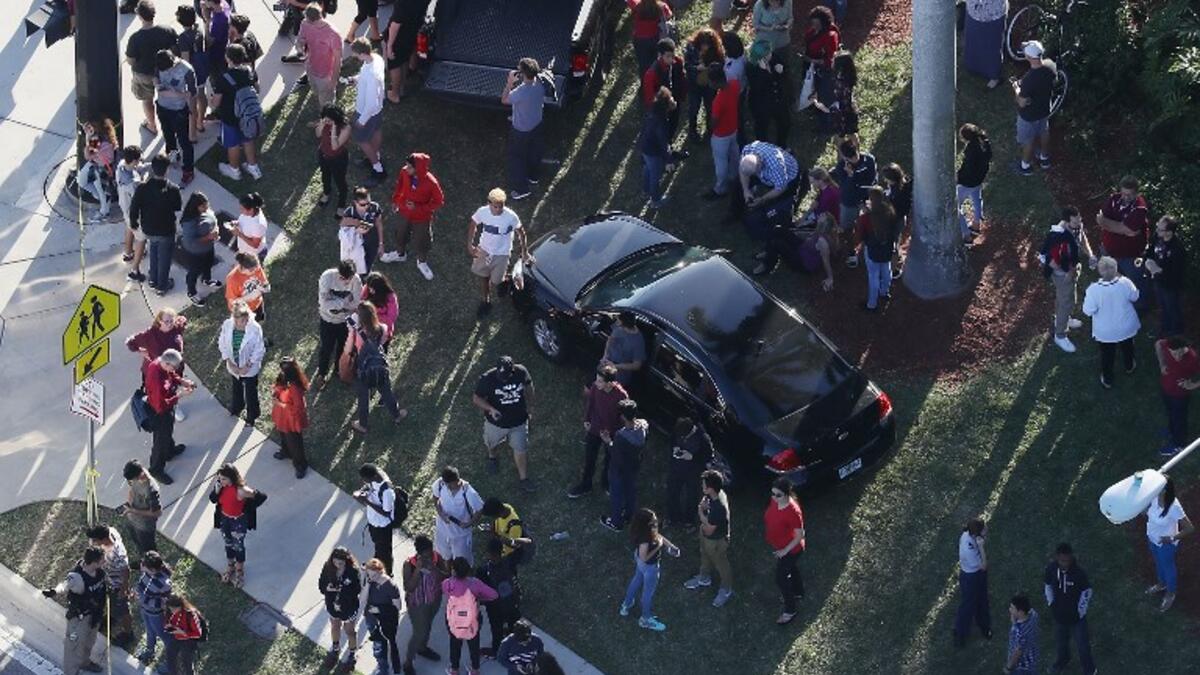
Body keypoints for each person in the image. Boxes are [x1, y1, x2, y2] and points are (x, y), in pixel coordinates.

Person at [472, 356, 536, 488]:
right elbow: (476, 398)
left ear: (512, 370)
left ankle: (523, 479)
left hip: (519, 421)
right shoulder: (487, 379)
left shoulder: (521, 371)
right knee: (491, 443)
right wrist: (490, 409)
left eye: (506, 376)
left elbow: (529, 386)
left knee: (521, 449)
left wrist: (530, 406)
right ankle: (492, 457)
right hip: (496, 423)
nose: (503, 378)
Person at [567, 365, 630, 498]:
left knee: (609, 459)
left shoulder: (621, 395)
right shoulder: (596, 388)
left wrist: (611, 433)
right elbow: (591, 403)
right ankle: (586, 485)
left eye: (600, 381)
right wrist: (587, 419)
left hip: (612, 433)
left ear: (610, 383)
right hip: (595, 428)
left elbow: (623, 418)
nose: (596, 383)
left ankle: (606, 483)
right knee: (590, 458)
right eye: (597, 379)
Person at [43, 546, 107, 675]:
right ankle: (71, 672)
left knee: (89, 642)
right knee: (74, 647)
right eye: (102, 560)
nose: (104, 561)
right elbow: (65, 585)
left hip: (95, 615)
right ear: (94, 562)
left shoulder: (98, 571)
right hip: (79, 619)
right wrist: (54, 591)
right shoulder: (76, 577)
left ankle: (84, 662)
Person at [1040, 207, 1095, 353]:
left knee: (1067, 298)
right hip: (1062, 274)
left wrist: (1091, 255)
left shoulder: (1077, 226)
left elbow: (1083, 240)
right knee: (1066, 301)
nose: (1079, 221)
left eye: (1080, 218)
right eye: (1076, 219)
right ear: (1067, 220)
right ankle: (1060, 335)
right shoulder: (1057, 236)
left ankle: (1063, 318)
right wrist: (1068, 272)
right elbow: (1050, 260)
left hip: (1072, 268)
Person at [347, 302, 407, 432]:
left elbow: (349, 348)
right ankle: (397, 415)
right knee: (386, 392)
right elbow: (383, 342)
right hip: (379, 366)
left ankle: (362, 424)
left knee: (363, 398)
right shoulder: (382, 328)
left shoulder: (357, 332)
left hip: (363, 369)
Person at [468, 189, 528, 317]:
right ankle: (486, 302)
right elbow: (473, 224)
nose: (498, 210)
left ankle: (505, 280)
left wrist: (525, 252)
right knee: (484, 277)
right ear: (489, 203)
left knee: (496, 281)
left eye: (501, 207)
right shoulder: (482, 212)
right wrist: (470, 244)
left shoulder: (511, 217)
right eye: (495, 207)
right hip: (484, 250)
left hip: (502, 253)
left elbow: (521, 232)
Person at [1082, 256, 1140, 388]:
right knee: (1128, 347)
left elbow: (1088, 311)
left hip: (1106, 331)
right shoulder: (1125, 282)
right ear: (1116, 269)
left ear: (1100, 271)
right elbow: (1135, 296)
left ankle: (1108, 379)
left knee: (1107, 354)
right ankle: (1129, 366)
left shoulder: (1093, 290)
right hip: (1126, 326)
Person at [128, 154, 183, 294]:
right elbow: (177, 207)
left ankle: (153, 280)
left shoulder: (142, 188)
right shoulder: (173, 189)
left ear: (152, 168)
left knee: (154, 250)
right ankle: (162, 286)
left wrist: (133, 222)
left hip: (149, 229)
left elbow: (134, 207)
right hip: (166, 230)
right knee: (164, 258)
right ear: (167, 170)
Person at [385, 153, 445, 280]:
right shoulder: (404, 172)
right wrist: (396, 201)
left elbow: (439, 201)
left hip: (421, 217)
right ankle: (400, 254)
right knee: (400, 233)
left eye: (410, 167)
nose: (407, 169)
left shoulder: (431, 182)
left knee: (422, 240)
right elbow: (399, 185)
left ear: (418, 169)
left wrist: (419, 208)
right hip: (404, 211)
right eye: (406, 166)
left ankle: (422, 262)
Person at [619, 508, 680, 631]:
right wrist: (658, 547)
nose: (656, 520)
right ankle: (645, 619)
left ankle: (626, 604)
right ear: (646, 524)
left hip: (641, 563)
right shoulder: (645, 540)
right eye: (653, 519)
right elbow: (644, 557)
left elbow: (657, 536)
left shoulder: (645, 529)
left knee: (637, 579)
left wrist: (670, 546)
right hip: (649, 567)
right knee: (648, 593)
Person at [1096, 175, 1152, 309]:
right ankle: (1119, 302)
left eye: (1130, 195)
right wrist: (1121, 228)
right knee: (1112, 278)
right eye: (1124, 193)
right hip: (1109, 251)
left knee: (1136, 282)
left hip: (1131, 255)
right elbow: (1100, 220)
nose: (1126, 197)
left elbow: (1128, 229)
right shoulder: (1114, 199)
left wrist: (1109, 224)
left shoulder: (1140, 208)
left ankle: (1140, 307)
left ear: (1137, 193)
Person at [211, 43, 264, 180]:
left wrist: (212, 102)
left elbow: (216, 102)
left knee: (233, 144)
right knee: (247, 139)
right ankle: (253, 167)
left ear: (228, 58)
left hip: (230, 117)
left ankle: (234, 170)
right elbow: (257, 89)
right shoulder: (249, 71)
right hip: (247, 114)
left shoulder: (223, 78)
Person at [126, 1, 179, 136]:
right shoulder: (167, 30)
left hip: (144, 74)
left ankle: (152, 125)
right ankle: (173, 124)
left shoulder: (135, 38)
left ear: (139, 16)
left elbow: (131, 60)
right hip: (165, 71)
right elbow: (175, 50)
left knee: (147, 100)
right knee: (169, 98)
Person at [683, 469, 734, 608]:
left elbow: (709, 528)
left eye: (704, 485)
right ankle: (704, 577)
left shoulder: (719, 508)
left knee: (721, 564)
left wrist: (700, 511)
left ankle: (726, 589)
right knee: (704, 555)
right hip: (707, 536)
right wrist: (704, 505)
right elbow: (705, 501)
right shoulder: (715, 494)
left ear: (710, 488)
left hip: (716, 540)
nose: (702, 486)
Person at [144, 349, 195, 485]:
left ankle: (169, 452)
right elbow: (160, 405)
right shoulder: (156, 379)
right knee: (160, 440)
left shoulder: (163, 364)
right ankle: (156, 469)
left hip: (167, 410)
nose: (175, 369)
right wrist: (179, 395)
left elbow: (171, 374)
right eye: (174, 366)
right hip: (159, 413)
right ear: (166, 363)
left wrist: (182, 381)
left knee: (167, 433)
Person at [1043, 543, 1095, 675]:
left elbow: (1087, 592)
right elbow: (1048, 585)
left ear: (1071, 558)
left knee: (1083, 646)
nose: (1063, 563)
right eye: (1061, 560)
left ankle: (1090, 670)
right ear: (1057, 557)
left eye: (1066, 560)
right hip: (1059, 616)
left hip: (1077, 618)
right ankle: (1062, 661)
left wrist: (1080, 611)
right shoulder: (1052, 569)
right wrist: (1051, 604)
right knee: (1061, 643)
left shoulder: (1079, 574)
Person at [501, 58, 548, 201]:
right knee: (534, 152)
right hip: (537, 124)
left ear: (522, 74)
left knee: (516, 157)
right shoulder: (540, 83)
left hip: (521, 130)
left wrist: (509, 83)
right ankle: (534, 177)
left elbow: (504, 100)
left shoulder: (520, 91)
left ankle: (521, 189)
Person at [1144, 477, 1194, 612]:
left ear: (1165, 490)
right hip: (1152, 538)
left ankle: (1170, 593)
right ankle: (1161, 584)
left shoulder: (1174, 507)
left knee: (1168, 567)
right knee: (1158, 563)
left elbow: (1190, 528)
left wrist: (1172, 538)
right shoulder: (1153, 498)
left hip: (1166, 544)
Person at [442, 557, 499, 674]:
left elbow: (446, 594)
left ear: (453, 570)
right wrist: (479, 599)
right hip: (473, 620)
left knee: (455, 644)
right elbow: (494, 595)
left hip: (454, 620)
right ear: (468, 570)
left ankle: (454, 669)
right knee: (474, 644)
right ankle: (475, 669)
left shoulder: (447, 584)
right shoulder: (475, 584)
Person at [400, 535, 447, 675]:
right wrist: (418, 571)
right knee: (418, 632)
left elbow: (445, 578)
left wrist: (434, 568)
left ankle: (422, 648)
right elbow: (408, 587)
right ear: (418, 554)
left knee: (428, 626)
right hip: (417, 604)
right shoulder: (409, 564)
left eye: (430, 552)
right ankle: (408, 663)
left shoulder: (436, 558)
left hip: (434, 600)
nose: (429, 557)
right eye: (425, 555)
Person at [735, 140, 804, 235]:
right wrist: (746, 191)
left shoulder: (776, 165)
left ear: (759, 166)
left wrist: (763, 199)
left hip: (788, 178)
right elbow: (743, 173)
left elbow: (781, 187)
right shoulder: (747, 151)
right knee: (737, 184)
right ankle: (735, 213)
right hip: (766, 175)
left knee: (777, 205)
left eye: (754, 173)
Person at [601, 399, 649, 532]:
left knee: (616, 495)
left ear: (622, 416)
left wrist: (608, 441)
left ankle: (616, 522)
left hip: (619, 470)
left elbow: (616, 454)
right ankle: (629, 515)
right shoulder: (644, 426)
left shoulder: (621, 436)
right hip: (634, 466)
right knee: (630, 492)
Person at [208, 463, 259, 588]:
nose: (221, 481)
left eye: (224, 478)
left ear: (232, 477)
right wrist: (217, 489)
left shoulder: (241, 490)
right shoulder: (221, 486)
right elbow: (213, 499)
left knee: (238, 546)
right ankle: (230, 565)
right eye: (219, 478)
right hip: (225, 519)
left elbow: (260, 497)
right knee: (228, 543)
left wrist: (247, 509)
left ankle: (239, 571)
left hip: (238, 522)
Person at [754, 212, 839, 286]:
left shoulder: (822, 242)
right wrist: (796, 233)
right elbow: (808, 238)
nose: (820, 215)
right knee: (778, 229)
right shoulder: (819, 230)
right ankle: (767, 252)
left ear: (824, 224)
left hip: (803, 263)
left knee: (777, 244)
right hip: (803, 248)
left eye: (822, 216)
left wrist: (830, 278)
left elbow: (825, 261)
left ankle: (766, 266)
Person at [764, 477, 805, 625]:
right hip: (780, 545)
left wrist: (784, 551)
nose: (774, 498)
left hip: (791, 549)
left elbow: (800, 536)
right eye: (772, 494)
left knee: (781, 578)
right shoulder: (775, 501)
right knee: (792, 568)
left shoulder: (793, 511)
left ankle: (790, 610)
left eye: (778, 495)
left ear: (787, 494)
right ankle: (798, 592)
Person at [218, 299, 266, 426]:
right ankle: (237, 407)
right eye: (242, 321)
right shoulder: (227, 325)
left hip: (249, 367)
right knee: (236, 387)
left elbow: (259, 349)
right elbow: (222, 343)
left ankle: (252, 415)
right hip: (234, 365)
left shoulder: (254, 328)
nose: (245, 323)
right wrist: (229, 362)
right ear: (234, 318)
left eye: (246, 320)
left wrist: (248, 365)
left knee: (251, 392)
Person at [315, 261, 362, 387]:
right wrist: (345, 301)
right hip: (327, 320)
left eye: (349, 279)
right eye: (343, 279)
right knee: (326, 347)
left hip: (344, 321)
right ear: (338, 273)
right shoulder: (327, 277)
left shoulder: (356, 281)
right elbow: (324, 303)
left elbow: (356, 303)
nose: (347, 283)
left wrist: (336, 304)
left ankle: (338, 369)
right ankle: (322, 373)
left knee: (342, 347)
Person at [154, 49, 197, 186]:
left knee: (184, 141)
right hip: (162, 107)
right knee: (168, 136)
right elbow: (156, 78)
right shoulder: (159, 62)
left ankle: (188, 171)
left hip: (178, 111)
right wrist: (159, 85)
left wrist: (183, 100)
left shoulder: (187, 70)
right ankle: (172, 156)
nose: (163, 71)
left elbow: (191, 92)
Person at [85, 525, 133, 645]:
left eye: (95, 540)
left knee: (123, 610)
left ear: (103, 539)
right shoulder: (110, 531)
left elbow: (126, 571)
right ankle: (110, 618)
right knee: (110, 603)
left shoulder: (118, 554)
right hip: (106, 579)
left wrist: (123, 589)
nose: (93, 542)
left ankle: (128, 633)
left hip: (117, 585)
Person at [1012, 40, 1054, 176]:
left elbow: (1022, 102)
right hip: (1044, 110)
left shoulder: (1029, 79)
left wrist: (1017, 89)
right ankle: (1044, 158)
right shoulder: (1050, 66)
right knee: (1044, 132)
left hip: (1029, 116)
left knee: (1028, 140)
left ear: (1029, 57)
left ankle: (1025, 166)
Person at [855, 186, 900, 311]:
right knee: (887, 270)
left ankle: (871, 304)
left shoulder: (866, 218)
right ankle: (884, 293)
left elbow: (860, 235)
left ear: (871, 201)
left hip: (872, 250)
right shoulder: (890, 212)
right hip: (887, 248)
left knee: (873, 276)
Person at [318, 546, 361, 672]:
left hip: (348, 607)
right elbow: (321, 586)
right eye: (335, 562)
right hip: (332, 606)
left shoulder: (353, 571)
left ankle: (352, 654)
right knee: (335, 626)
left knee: (350, 631)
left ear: (346, 560)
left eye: (340, 563)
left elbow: (357, 590)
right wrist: (328, 588)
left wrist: (342, 589)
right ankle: (335, 649)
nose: (337, 565)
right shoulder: (328, 568)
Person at [350, 38, 387, 186]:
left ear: (362, 54)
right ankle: (374, 155)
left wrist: (362, 120)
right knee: (376, 131)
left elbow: (371, 103)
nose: (355, 57)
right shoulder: (375, 58)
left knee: (361, 140)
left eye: (355, 54)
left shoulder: (372, 75)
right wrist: (356, 79)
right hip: (377, 111)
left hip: (366, 112)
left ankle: (378, 170)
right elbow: (365, 75)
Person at [1155, 337, 1200, 457]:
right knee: (1170, 413)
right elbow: (1158, 344)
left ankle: (1179, 444)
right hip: (1166, 388)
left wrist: (1193, 385)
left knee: (1179, 419)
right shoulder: (1165, 344)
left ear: (1183, 348)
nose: (1175, 356)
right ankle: (1171, 431)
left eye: (1177, 352)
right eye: (1172, 352)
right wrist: (1162, 363)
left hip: (1180, 395)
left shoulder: (1192, 358)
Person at [664, 417, 712, 527]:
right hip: (677, 467)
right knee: (672, 492)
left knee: (692, 497)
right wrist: (675, 448)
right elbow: (672, 440)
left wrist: (692, 457)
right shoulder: (678, 430)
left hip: (693, 472)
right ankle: (673, 518)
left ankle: (688, 521)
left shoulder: (703, 439)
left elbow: (708, 457)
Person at [478, 538, 522, 659]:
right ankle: (515, 644)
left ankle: (496, 650)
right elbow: (523, 547)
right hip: (512, 602)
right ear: (501, 551)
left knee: (497, 630)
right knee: (514, 624)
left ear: (488, 553)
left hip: (495, 608)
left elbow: (480, 591)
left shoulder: (483, 570)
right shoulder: (509, 561)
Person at [432, 466, 485, 564]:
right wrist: (441, 514)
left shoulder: (468, 492)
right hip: (442, 530)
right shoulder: (440, 483)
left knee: (463, 562)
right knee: (443, 556)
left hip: (461, 535)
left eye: (449, 484)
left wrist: (468, 524)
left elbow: (479, 509)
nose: (447, 486)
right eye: (446, 483)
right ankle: (448, 575)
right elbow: (435, 498)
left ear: (457, 480)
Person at [703, 65, 741, 201]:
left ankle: (720, 188)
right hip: (734, 128)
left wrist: (709, 130)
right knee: (735, 154)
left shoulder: (718, 101)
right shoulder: (735, 84)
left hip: (720, 136)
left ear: (716, 82)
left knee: (721, 163)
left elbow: (714, 122)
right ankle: (735, 177)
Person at [1144, 216, 1187, 337]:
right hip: (1158, 283)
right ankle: (1164, 330)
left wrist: (1158, 270)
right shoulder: (1158, 239)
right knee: (1163, 307)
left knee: (1173, 309)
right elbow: (1150, 253)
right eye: (1157, 227)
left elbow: (1177, 273)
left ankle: (1176, 335)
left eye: (1160, 229)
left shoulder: (1177, 248)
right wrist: (1148, 261)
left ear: (1169, 232)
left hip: (1171, 286)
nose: (1157, 231)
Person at [953, 517, 991, 647]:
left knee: (968, 603)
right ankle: (963, 632)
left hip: (966, 575)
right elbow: (984, 565)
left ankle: (963, 629)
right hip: (974, 576)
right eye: (983, 529)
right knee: (975, 603)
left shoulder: (965, 535)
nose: (986, 530)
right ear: (976, 533)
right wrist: (981, 547)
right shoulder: (969, 550)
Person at [682, 28, 725, 145]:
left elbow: (721, 65)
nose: (705, 47)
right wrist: (696, 68)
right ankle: (692, 131)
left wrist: (711, 68)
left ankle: (710, 130)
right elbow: (686, 65)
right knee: (693, 108)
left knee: (710, 108)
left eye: (707, 45)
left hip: (709, 86)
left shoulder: (716, 51)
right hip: (693, 84)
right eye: (703, 44)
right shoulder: (691, 49)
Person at [355, 463, 400, 573]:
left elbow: (386, 512)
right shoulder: (374, 476)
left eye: (366, 480)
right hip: (373, 522)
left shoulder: (387, 491)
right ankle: (374, 564)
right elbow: (369, 488)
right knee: (378, 547)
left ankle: (388, 573)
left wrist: (366, 501)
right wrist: (361, 492)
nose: (364, 482)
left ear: (374, 477)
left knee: (385, 552)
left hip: (382, 526)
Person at [361, 558, 403, 674]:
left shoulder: (390, 585)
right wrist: (368, 583)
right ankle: (383, 669)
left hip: (386, 621)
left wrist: (379, 609)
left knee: (389, 644)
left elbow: (398, 607)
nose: (372, 578)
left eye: (374, 576)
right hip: (371, 619)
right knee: (378, 647)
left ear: (381, 571)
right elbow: (362, 600)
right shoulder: (369, 581)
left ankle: (395, 669)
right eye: (370, 575)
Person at [178, 192, 220, 305]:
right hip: (194, 252)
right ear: (196, 206)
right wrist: (208, 237)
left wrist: (216, 230)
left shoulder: (207, 211)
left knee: (208, 263)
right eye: (203, 206)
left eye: (207, 204)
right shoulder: (189, 222)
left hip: (208, 247)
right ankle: (191, 292)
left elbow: (213, 220)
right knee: (194, 271)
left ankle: (207, 279)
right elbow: (191, 240)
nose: (206, 208)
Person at [801, 6, 840, 130]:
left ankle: (826, 124)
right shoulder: (813, 31)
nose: (814, 26)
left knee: (824, 96)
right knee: (812, 90)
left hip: (824, 72)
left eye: (817, 24)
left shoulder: (830, 35)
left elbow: (830, 60)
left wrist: (813, 60)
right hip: (811, 67)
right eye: (813, 23)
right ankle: (814, 109)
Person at [831, 138, 877, 243]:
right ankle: (848, 247)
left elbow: (870, 181)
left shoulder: (869, 160)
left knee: (871, 225)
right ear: (844, 157)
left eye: (855, 155)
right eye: (851, 158)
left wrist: (862, 201)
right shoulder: (841, 168)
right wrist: (851, 176)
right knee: (846, 228)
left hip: (866, 197)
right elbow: (846, 189)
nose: (855, 159)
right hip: (849, 201)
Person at [271, 357, 310, 478]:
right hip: (282, 414)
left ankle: (300, 465)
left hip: (291, 418)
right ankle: (286, 451)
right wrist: (275, 393)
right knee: (283, 434)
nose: (281, 372)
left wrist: (281, 404)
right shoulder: (284, 378)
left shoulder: (295, 388)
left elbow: (299, 408)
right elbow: (278, 387)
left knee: (294, 441)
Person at [746, 40, 790, 146]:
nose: (771, 54)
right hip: (762, 103)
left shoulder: (774, 58)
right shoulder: (752, 67)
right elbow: (757, 87)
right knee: (761, 127)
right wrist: (763, 72)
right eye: (768, 53)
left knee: (784, 123)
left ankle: (782, 144)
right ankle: (763, 148)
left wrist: (782, 71)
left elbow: (784, 71)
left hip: (777, 99)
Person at [641, 38, 688, 139]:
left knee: (673, 124)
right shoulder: (651, 74)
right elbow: (650, 98)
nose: (671, 59)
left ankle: (669, 144)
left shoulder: (678, 62)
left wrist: (681, 97)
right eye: (668, 56)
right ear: (660, 55)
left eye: (672, 55)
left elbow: (682, 79)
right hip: (661, 107)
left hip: (675, 99)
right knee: (661, 131)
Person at [174, 5, 208, 142]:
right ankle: (200, 122)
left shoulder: (183, 38)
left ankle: (192, 134)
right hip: (203, 68)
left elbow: (185, 61)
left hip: (192, 74)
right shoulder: (198, 29)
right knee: (202, 94)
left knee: (191, 104)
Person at [133, 551, 173, 668]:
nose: (141, 565)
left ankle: (171, 661)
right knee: (149, 631)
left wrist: (143, 599)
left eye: (144, 565)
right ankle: (150, 651)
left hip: (155, 614)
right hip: (145, 610)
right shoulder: (147, 573)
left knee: (164, 636)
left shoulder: (164, 583)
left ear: (153, 570)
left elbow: (164, 602)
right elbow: (141, 586)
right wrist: (137, 593)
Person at [299, 4, 343, 108]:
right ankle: (319, 99)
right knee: (316, 91)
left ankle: (326, 120)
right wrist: (300, 45)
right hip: (310, 66)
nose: (305, 23)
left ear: (313, 21)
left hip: (325, 74)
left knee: (327, 104)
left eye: (307, 21)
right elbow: (301, 38)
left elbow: (337, 60)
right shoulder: (305, 23)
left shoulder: (333, 34)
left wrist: (333, 82)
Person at [956, 123, 993, 244]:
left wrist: (958, 177)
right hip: (979, 178)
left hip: (967, 182)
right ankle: (976, 225)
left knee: (955, 207)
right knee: (977, 199)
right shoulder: (984, 141)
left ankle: (966, 236)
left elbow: (968, 167)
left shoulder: (971, 148)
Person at [117, 145, 149, 281]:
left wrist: (152, 164)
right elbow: (142, 196)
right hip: (135, 214)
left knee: (129, 228)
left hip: (125, 208)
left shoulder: (121, 166)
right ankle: (134, 271)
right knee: (141, 239)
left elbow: (138, 169)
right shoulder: (133, 183)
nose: (140, 162)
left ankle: (128, 252)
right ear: (134, 161)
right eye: (139, 160)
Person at [640, 87, 675, 209]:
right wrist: (669, 160)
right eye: (671, 100)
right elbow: (662, 143)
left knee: (647, 170)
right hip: (653, 152)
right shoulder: (661, 121)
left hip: (645, 147)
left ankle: (645, 192)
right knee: (655, 176)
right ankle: (655, 201)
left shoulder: (651, 112)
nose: (673, 102)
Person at [384, 0, 424, 102]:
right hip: (412, 31)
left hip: (399, 36)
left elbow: (396, 24)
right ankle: (401, 89)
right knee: (404, 60)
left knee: (395, 65)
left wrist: (389, 45)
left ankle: (394, 95)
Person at [341, 186, 386, 275]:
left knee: (369, 262)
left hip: (372, 241)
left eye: (368, 203)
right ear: (355, 202)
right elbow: (343, 226)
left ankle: (366, 274)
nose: (366, 206)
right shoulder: (350, 212)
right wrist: (357, 226)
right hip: (356, 244)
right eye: (362, 205)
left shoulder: (374, 207)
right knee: (357, 264)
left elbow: (379, 224)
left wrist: (381, 244)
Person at [963, 0, 1007, 88]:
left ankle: (993, 75)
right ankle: (973, 65)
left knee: (991, 46)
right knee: (976, 40)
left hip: (992, 12)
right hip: (976, 9)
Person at [78, 120, 116, 222]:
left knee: (97, 189)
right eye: (86, 128)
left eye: (89, 127)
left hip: (99, 169)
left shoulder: (95, 139)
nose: (88, 130)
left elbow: (88, 156)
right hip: (100, 165)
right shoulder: (107, 135)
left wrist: (87, 138)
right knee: (83, 182)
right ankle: (103, 198)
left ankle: (104, 212)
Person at [315, 106, 352, 210]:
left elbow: (335, 147)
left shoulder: (345, 128)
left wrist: (334, 129)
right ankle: (326, 193)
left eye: (329, 119)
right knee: (325, 175)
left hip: (338, 159)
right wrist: (321, 125)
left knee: (340, 181)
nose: (327, 121)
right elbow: (318, 135)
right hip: (323, 154)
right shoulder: (324, 122)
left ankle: (342, 203)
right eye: (325, 118)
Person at [122, 459, 163, 553]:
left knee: (148, 549)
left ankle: (152, 565)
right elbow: (132, 490)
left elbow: (157, 512)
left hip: (145, 526)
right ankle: (143, 559)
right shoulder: (135, 476)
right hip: (133, 519)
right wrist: (128, 504)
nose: (131, 482)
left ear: (139, 475)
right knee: (138, 543)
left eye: (132, 479)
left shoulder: (151, 490)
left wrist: (132, 510)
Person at [602, 310, 647, 390]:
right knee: (589, 389)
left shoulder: (638, 341)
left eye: (618, 319)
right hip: (607, 363)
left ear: (623, 323)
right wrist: (605, 355)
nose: (616, 320)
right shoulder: (617, 328)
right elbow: (610, 339)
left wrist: (615, 366)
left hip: (620, 374)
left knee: (606, 392)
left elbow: (636, 365)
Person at [627, 0, 673, 76]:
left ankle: (645, 83)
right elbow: (669, 15)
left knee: (643, 65)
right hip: (655, 38)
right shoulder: (661, 7)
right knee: (656, 62)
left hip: (639, 40)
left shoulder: (637, 6)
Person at [479, 498, 533, 563]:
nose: (493, 518)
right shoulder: (505, 506)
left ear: (498, 514)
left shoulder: (515, 526)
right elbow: (497, 522)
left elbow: (514, 545)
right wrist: (491, 528)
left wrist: (494, 534)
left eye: (493, 516)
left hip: (507, 554)